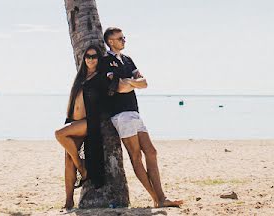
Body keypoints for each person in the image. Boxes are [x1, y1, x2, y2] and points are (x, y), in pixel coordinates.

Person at [101, 27, 183, 208]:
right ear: (111, 42)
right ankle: (157, 198)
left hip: (134, 112)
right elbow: (119, 88)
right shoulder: (106, 61)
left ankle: (161, 197)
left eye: (124, 37)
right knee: (136, 157)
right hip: (121, 114)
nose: (124, 40)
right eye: (120, 38)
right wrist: (132, 82)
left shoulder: (128, 60)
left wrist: (129, 82)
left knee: (151, 152)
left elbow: (144, 83)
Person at [54, 46, 106, 210]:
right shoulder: (81, 77)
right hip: (72, 121)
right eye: (88, 56)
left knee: (59, 134)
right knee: (68, 161)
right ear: (84, 59)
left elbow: (111, 92)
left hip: (87, 122)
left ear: (99, 59)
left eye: (94, 56)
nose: (91, 59)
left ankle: (82, 168)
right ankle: (69, 201)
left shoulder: (100, 78)